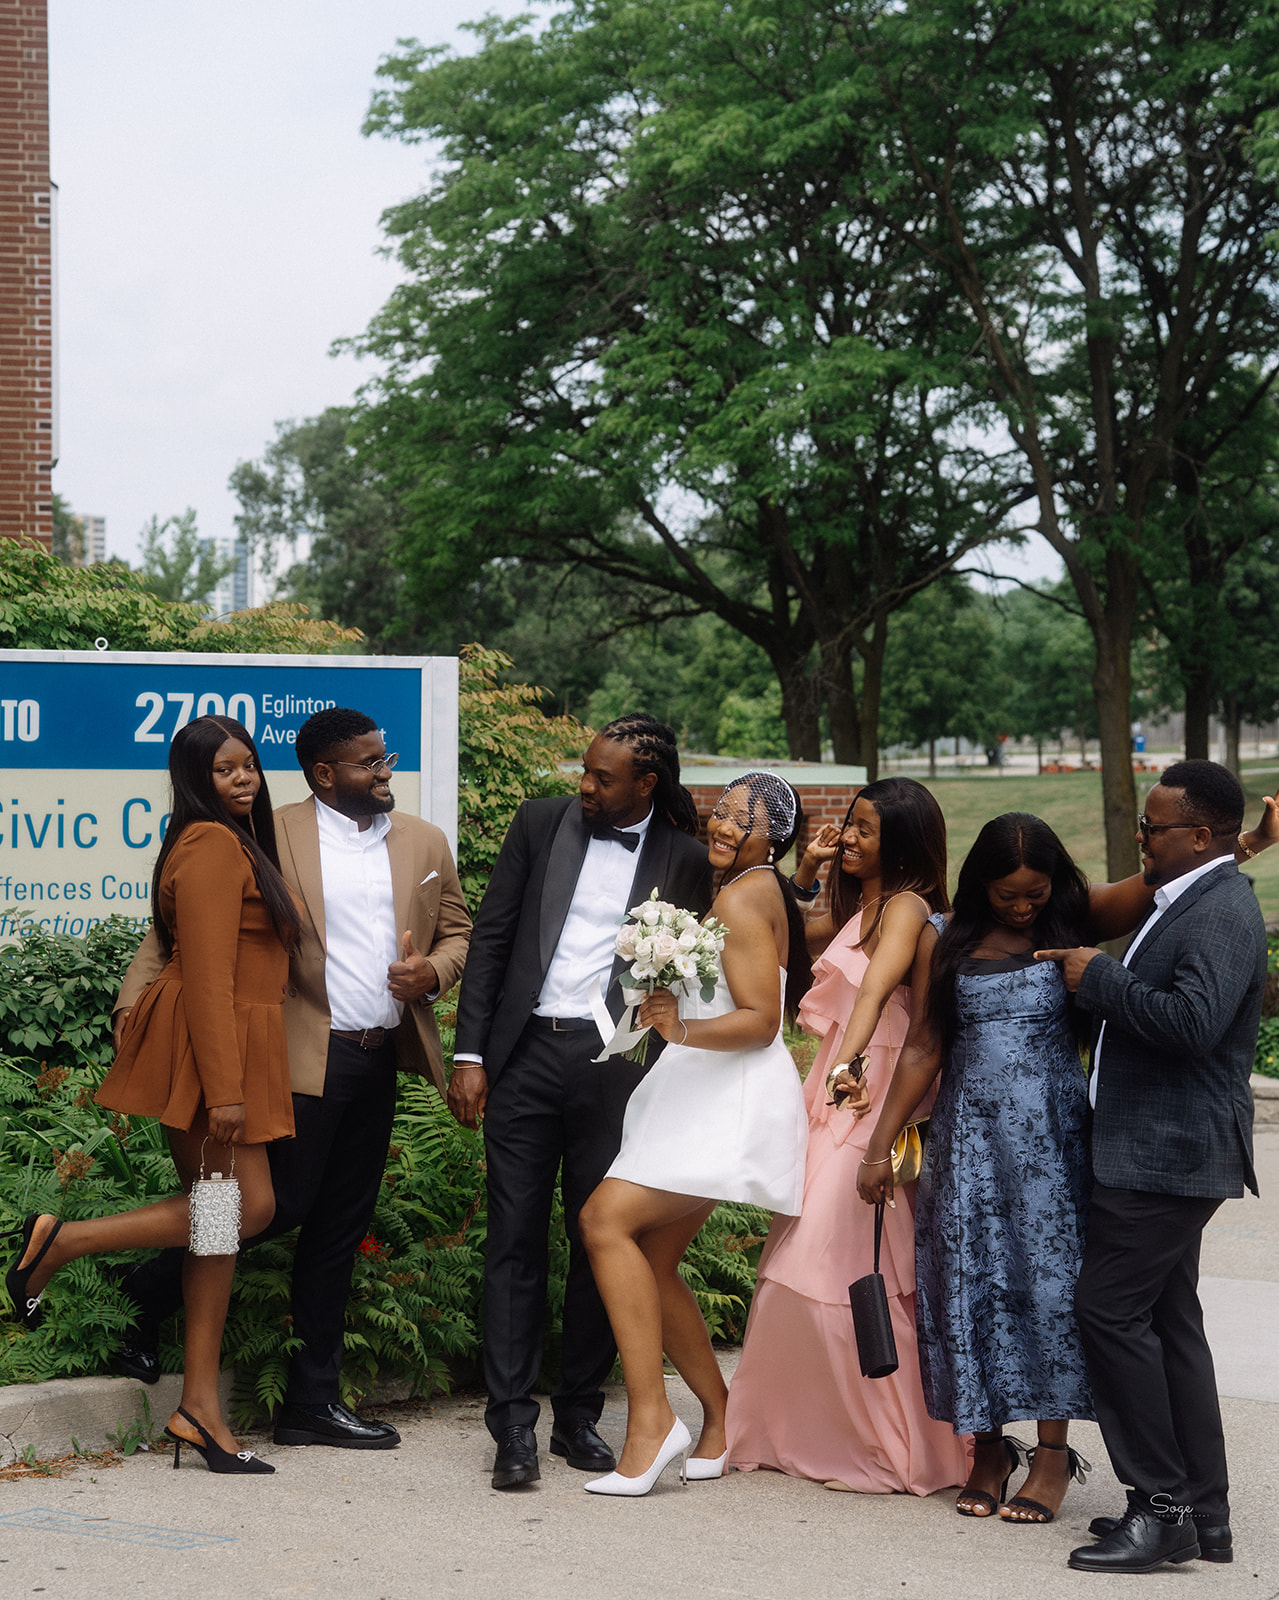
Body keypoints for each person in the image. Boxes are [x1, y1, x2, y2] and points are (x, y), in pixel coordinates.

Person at [110, 706, 471, 1452]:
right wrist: (132, 1004)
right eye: (371, 762)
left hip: (380, 1052)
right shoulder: (268, 832)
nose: (385, 771)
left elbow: (460, 929)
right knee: (269, 1208)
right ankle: (142, 1294)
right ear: (325, 773)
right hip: (293, 1051)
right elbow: (178, 932)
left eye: (386, 757)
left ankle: (310, 1401)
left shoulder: (425, 842)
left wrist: (430, 971)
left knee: (339, 1225)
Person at [4, 715, 299, 1474]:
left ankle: (198, 1408)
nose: (242, 778)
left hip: (235, 1041)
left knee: (218, 1226)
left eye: (249, 765)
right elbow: (203, 973)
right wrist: (226, 1089)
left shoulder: (237, 842)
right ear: (195, 780)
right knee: (247, 1208)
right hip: (211, 1046)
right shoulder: (206, 845)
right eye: (223, 770)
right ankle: (60, 1242)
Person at [859, 812, 1163, 1524]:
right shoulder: (942, 935)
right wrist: (878, 1145)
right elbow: (922, 1047)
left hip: (1054, 1144)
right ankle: (988, 1447)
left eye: (1034, 893)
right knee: (972, 1286)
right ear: (978, 886)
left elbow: (1156, 883)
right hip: (968, 1144)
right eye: (1006, 896)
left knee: (1049, 1287)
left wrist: (1251, 842)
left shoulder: (1068, 916)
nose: (1023, 906)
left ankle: (1052, 1453)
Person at [450, 713, 713, 1489]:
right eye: (585, 772)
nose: (585, 787)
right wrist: (470, 1053)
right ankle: (511, 1428)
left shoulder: (685, 858)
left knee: (603, 1240)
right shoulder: (539, 823)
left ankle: (577, 1417)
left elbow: (693, 972)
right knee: (514, 1238)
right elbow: (493, 936)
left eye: (602, 778)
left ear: (645, 783)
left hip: (617, 1065)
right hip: (526, 1053)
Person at [1035, 761, 1274, 1574]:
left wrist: (1097, 977)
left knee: (1105, 1312)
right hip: (1158, 1150)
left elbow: (1193, 1024)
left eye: (1151, 827)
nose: (1139, 837)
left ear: (1196, 836)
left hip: (1167, 1156)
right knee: (1170, 1328)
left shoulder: (1219, 910)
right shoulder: (1196, 898)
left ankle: (1160, 1507)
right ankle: (1203, 1517)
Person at [726, 777, 969, 1495]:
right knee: (811, 1253)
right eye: (850, 825)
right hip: (843, 1081)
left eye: (865, 828)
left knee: (844, 1258)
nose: (852, 837)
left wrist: (851, 1063)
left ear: (901, 839)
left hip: (875, 1087)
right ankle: (799, 1428)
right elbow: (792, 936)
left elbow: (870, 993)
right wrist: (805, 870)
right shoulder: (863, 902)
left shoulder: (906, 906)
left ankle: (894, 1446)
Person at [575, 771, 811, 1497]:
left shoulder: (743, 896)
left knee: (602, 1220)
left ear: (773, 836)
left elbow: (759, 1022)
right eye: (722, 811)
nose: (723, 823)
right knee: (651, 1254)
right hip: (700, 1088)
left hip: (723, 1095)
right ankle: (720, 1417)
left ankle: (650, 1420)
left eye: (743, 818)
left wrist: (680, 1025)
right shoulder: (754, 891)